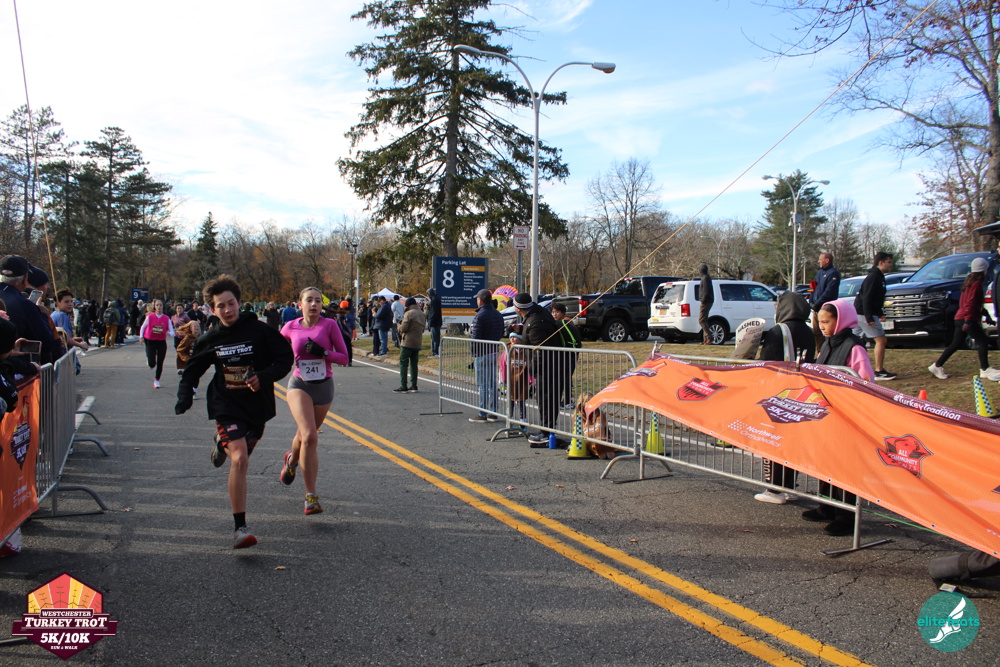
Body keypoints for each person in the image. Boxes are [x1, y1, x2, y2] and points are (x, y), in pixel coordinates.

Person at [175, 274, 293, 549]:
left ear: (239, 303)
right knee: (239, 459)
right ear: (212, 309)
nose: (227, 310)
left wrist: (263, 377)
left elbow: (285, 359)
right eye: (221, 306)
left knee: (242, 456)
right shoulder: (211, 338)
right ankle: (240, 528)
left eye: (231, 303)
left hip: (257, 406)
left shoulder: (260, 331)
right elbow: (192, 370)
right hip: (225, 404)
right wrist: (184, 396)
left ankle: (221, 443)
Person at [801, 298, 873, 536]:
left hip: (847, 415)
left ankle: (846, 516)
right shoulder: (827, 343)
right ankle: (827, 506)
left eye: (827, 322)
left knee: (845, 466)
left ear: (840, 320)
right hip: (827, 412)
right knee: (826, 461)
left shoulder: (854, 347)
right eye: (820, 322)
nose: (822, 326)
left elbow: (866, 380)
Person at [278, 286, 349, 516]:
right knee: (310, 436)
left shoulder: (329, 325)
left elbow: (344, 357)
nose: (314, 304)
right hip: (299, 385)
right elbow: (275, 351)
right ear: (300, 304)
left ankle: (291, 460)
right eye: (309, 300)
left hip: (324, 387)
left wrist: (324, 353)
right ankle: (311, 496)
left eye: (318, 300)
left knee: (304, 436)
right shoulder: (290, 326)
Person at [754, 290, 815, 504]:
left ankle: (774, 489)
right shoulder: (809, 331)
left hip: (778, 392)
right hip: (801, 393)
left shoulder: (778, 330)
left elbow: (768, 361)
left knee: (773, 440)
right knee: (793, 443)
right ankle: (790, 487)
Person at [928, 257, 1000, 381]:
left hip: (960, 318)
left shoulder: (968, 282)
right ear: (984, 270)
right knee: (983, 341)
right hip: (967, 319)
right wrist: (968, 320)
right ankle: (984, 369)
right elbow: (971, 303)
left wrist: (985, 314)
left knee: (955, 344)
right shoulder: (977, 284)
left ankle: (937, 365)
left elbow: (970, 303)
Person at [513, 292, 561, 446]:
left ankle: (546, 433)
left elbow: (540, 350)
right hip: (549, 366)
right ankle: (546, 431)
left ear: (518, 308)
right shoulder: (536, 313)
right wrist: (520, 329)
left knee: (546, 401)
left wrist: (534, 370)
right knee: (545, 400)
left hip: (546, 369)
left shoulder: (536, 322)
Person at [0, 255, 58, 365]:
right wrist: (42, 314)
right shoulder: (25, 305)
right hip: (16, 367)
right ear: (25, 278)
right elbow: (46, 344)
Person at [853, 252, 897, 381]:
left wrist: (879, 313)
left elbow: (876, 298)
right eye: (889, 262)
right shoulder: (873, 277)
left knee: (855, 341)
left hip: (862, 313)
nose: (891, 264)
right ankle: (879, 371)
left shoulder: (879, 276)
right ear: (881, 263)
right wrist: (869, 317)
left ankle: (852, 368)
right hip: (864, 314)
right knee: (881, 341)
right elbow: (867, 298)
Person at [468, 289, 504, 422]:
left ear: (481, 300)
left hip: (482, 352)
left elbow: (476, 337)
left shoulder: (480, 315)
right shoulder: (497, 314)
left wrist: (474, 353)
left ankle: (482, 413)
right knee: (492, 384)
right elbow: (501, 332)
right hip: (493, 351)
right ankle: (493, 412)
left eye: (477, 299)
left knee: (482, 384)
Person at [809, 252, 841, 355]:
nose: (819, 261)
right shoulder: (819, 273)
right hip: (817, 309)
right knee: (817, 332)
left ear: (827, 260)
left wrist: (818, 303)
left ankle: (830, 354)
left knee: (827, 333)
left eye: (820, 259)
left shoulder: (833, 273)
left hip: (826, 308)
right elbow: (813, 287)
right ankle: (820, 354)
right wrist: (811, 300)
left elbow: (829, 292)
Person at [551, 302, 582, 407]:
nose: (554, 314)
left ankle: (568, 401)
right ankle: (561, 399)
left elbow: (574, 340)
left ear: (563, 313)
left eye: (557, 312)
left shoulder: (564, 323)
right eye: (553, 312)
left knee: (566, 377)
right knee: (563, 377)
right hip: (564, 354)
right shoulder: (563, 323)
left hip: (569, 354)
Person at [394, 297, 426, 393]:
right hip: (418, 341)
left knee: (403, 363)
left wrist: (398, 326)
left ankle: (403, 385)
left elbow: (404, 328)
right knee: (414, 364)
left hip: (407, 341)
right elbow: (423, 328)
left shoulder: (408, 313)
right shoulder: (422, 313)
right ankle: (414, 385)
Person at [140, 300, 174, 388]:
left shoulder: (166, 318)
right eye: (157, 305)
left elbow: (172, 331)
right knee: (152, 363)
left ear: (163, 307)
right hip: (151, 341)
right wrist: (141, 337)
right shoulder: (150, 317)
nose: (159, 307)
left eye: (160, 305)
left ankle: (157, 380)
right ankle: (150, 360)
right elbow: (143, 327)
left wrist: (169, 333)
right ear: (154, 307)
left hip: (161, 342)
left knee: (160, 362)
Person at [174, 319, 201, 399]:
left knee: (196, 376)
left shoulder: (201, 337)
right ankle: (188, 392)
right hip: (188, 361)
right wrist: (187, 358)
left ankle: (194, 391)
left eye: (198, 326)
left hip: (197, 360)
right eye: (195, 326)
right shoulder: (187, 338)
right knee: (189, 377)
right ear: (190, 328)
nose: (197, 327)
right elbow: (180, 349)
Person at [698, 263, 715, 344]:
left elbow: (706, 291)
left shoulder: (705, 278)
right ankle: (706, 339)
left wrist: (703, 300)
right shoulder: (706, 277)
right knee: (704, 320)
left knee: (701, 320)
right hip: (707, 301)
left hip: (706, 301)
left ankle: (709, 336)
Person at [426, 287, 443, 358]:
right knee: (435, 337)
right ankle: (435, 351)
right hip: (436, 322)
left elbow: (434, 313)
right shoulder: (436, 300)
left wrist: (430, 322)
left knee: (434, 338)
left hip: (434, 323)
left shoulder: (434, 301)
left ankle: (435, 352)